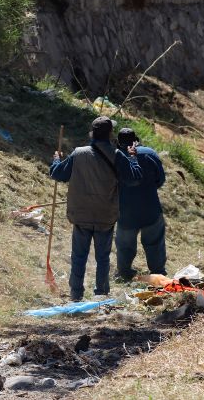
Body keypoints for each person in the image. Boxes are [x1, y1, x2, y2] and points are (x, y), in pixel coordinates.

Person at [49, 117, 142, 301]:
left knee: (78, 257)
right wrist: (133, 158)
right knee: (103, 257)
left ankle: (76, 294)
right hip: (105, 216)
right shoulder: (117, 155)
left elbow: (58, 174)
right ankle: (101, 293)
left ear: (92, 133)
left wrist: (56, 161)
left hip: (81, 214)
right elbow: (134, 178)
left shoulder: (78, 153)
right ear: (110, 134)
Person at [114, 128, 167, 281]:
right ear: (135, 140)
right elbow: (160, 179)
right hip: (150, 207)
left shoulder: (116, 157)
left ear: (118, 142)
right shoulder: (149, 153)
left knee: (124, 244)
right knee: (154, 241)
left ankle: (124, 272)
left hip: (125, 210)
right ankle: (158, 273)